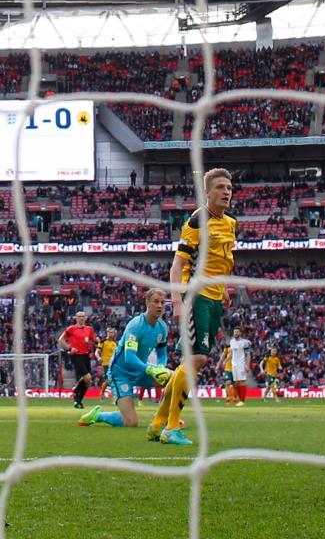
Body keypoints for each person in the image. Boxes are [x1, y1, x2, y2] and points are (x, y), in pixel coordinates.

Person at [149, 167, 236, 446]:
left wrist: (224, 290)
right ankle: (172, 428)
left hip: (214, 299)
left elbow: (219, 261)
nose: (226, 192)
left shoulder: (230, 223)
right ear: (207, 192)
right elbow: (178, 265)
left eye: (229, 188)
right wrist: (176, 301)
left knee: (192, 361)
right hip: (195, 296)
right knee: (197, 359)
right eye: (220, 187)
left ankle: (158, 422)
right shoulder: (198, 220)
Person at [77, 289, 171, 428]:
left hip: (140, 370)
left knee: (173, 380)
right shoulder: (136, 325)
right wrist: (151, 369)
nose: (159, 306)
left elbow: (162, 353)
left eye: (162, 303)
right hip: (120, 373)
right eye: (156, 302)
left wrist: (161, 367)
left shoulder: (162, 327)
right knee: (131, 423)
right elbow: (130, 357)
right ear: (147, 303)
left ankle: (165, 418)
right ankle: (99, 415)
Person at [58, 311, 98, 409]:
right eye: (79, 316)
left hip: (86, 355)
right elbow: (61, 339)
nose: (81, 318)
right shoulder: (71, 329)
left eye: (83, 316)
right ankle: (76, 391)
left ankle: (78, 400)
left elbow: (95, 339)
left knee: (87, 381)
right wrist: (70, 348)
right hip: (76, 355)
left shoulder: (89, 329)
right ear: (76, 318)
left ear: (85, 318)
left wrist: (98, 341)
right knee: (87, 378)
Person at [228, 328, 252, 407]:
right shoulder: (231, 341)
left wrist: (247, 365)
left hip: (241, 363)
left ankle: (242, 400)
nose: (235, 333)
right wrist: (225, 360)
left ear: (240, 333)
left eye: (237, 332)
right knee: (236, 383)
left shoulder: (245, 342)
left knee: (242, 381)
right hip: (234, 364)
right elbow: (231, 353)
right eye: (234, 332)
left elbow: (248, 354)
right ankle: (240, 399)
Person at [95, 328, 118, 401]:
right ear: (107, 333)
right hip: (106, 364)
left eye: (112, 333)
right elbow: (97, 351)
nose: (111, 334)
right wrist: (98, 357)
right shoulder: (103, 342)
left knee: (110, 380)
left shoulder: (115, 343)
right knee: (109, 380)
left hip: (114, 364)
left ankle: (103, 393)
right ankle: (112, 396)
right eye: (110, 332)